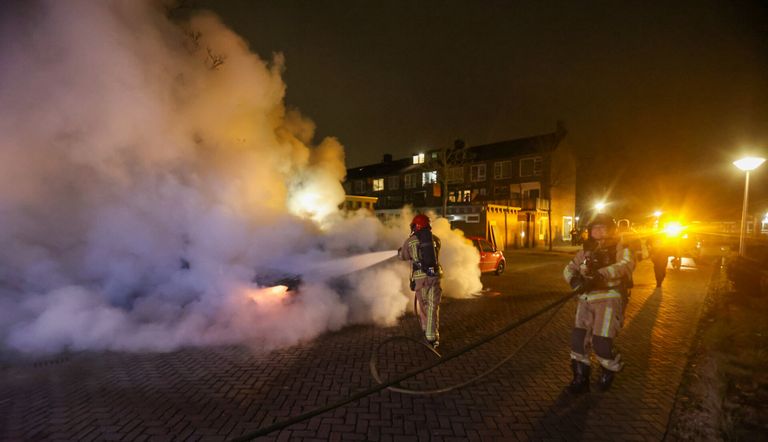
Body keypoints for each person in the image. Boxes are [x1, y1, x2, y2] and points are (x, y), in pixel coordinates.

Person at [563, 213, 635, 393]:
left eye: (602, 227)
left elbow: (626, 264)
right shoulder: (586, 250)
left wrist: (601, 274)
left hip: (609, 298)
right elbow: (568, 268)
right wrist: (574, 281)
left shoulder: (621, 246)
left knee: (601, 341)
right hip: (585, 299)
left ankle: (608, 371)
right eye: (595, 228)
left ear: (611, 230)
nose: (598, 231)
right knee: (578, 340)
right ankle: (580, 378)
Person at [399, 214, 443, 349]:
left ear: (416, 226)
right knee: (433, 307)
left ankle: (428, 335)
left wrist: (400, 252)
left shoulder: (411, 240)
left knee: (424, 307)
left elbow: (403, 256)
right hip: (434, 278)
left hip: (420, 280)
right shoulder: (435, 240)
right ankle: (432, 334)